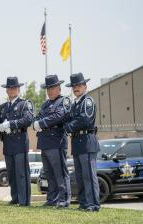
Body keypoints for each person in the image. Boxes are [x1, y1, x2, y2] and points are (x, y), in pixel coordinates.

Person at [0, 76, 33, 206]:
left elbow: (27, 120)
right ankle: (15, 198)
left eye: (14, 88)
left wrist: (11, 124)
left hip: (20, 142)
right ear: (6, 90)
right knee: (11, 173)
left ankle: (24, 200)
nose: (11, 90)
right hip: (8, 143)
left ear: (18, 89)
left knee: (22, 173)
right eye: (9, 88)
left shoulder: (24, 104)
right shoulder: (3, 107)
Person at [64, 73, 100, 212]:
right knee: (80, 175)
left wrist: (68, 127)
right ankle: (84, 203)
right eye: (74, 86)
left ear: (85, 86)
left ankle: (93, 204)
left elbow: (85, 119)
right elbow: (69, 119)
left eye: (79, 85)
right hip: (77, 141)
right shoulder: (75, 104)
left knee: (89, 175)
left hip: (87, 141)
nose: (76, 88)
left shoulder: (87, 101)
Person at [33, 74, 71, 208]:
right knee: (49, 173)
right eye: (48, 89)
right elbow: (36, 117)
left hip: (56, 141)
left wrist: (41, 123)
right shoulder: (44, 104)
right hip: (44, 142)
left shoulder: (64, 101)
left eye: (52, 88)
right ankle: (52, 199)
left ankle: (64, 199)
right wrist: (35, 123)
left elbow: (59, 116)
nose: (50, 91)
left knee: (59, 172)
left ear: (59, 89)